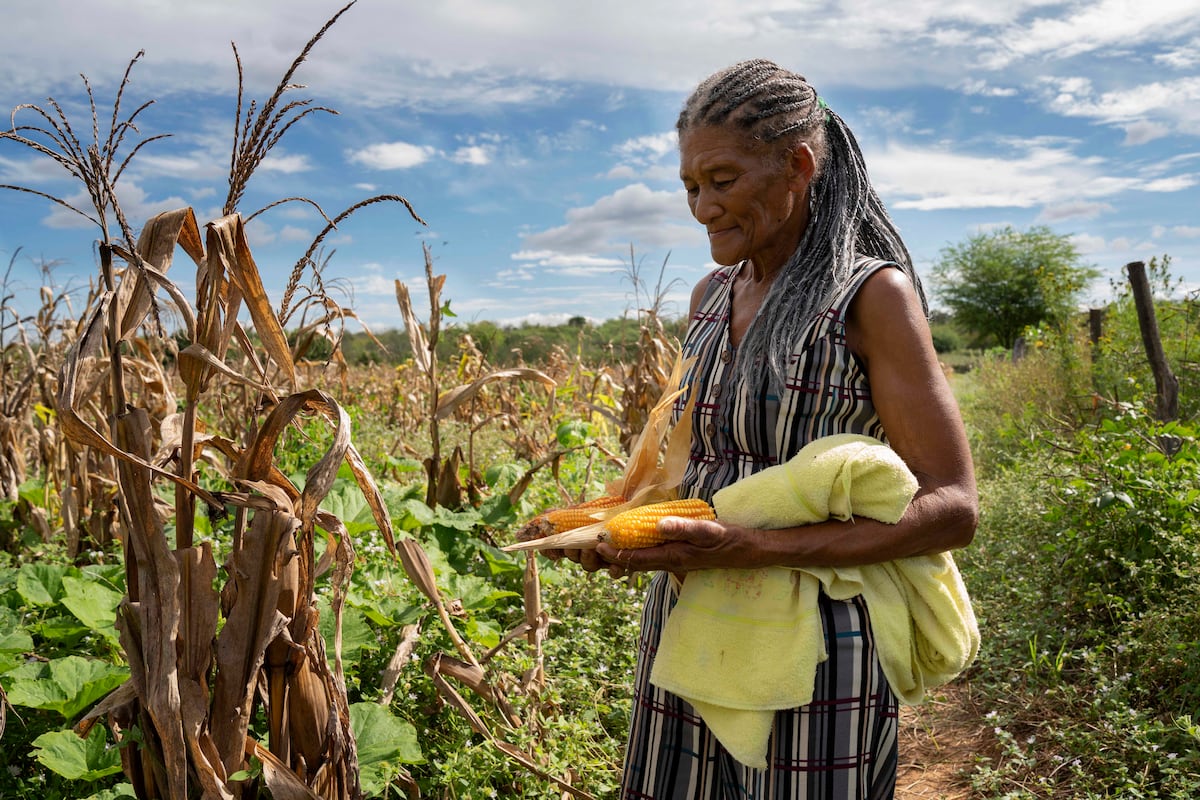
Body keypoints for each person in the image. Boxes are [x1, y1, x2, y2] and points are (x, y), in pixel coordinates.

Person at [563, 59, 978, 798]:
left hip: (815, 644)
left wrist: (750, 547)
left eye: (721, 181)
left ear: (796, 166)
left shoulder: (870, 296)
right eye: (690, 187)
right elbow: (700, 462)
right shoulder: (710, 297)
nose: (701, 208)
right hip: (692, 617)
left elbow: (953, 508)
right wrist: (616, 523)